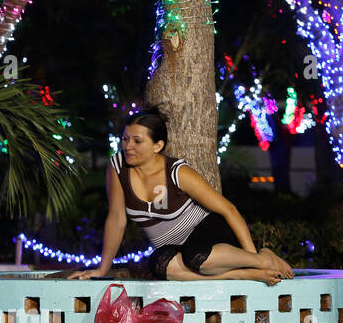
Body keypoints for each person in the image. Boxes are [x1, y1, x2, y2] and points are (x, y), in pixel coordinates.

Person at [70, 107, 293, 284]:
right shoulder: (118, 167)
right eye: (125, 139)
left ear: (158, 145)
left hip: (208, 231)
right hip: (174, 247)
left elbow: (228, 210)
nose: (128, 146)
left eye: (137, 141)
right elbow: (117, 219)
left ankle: (261, 259)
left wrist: (253, 258)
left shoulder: (177, 172)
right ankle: (241, 274)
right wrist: (102, 268)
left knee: (196, 257)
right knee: (159, 265)